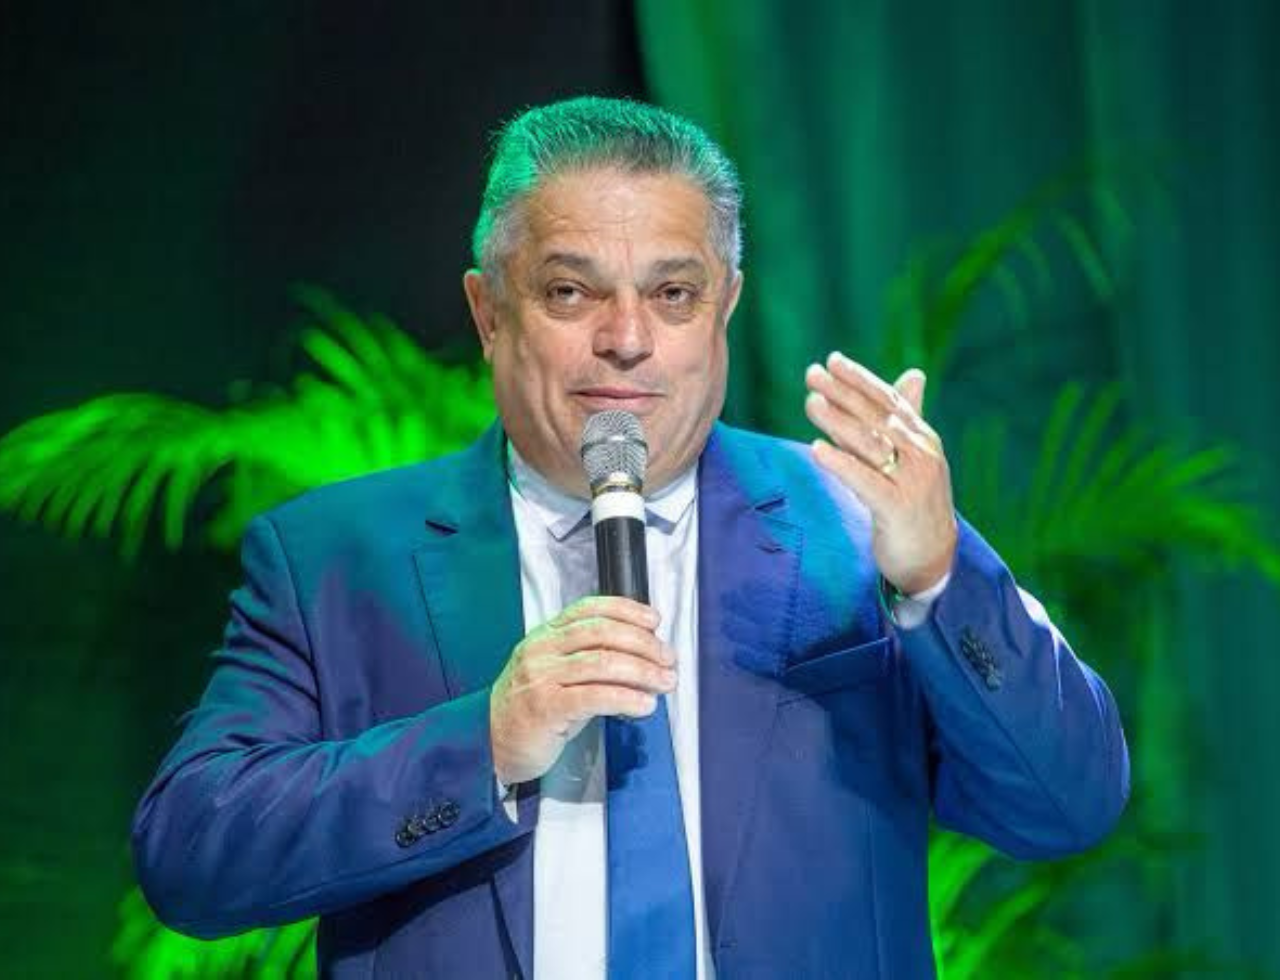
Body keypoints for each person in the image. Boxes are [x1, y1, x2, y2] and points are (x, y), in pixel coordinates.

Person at [131, 96, 1128, 979]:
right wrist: (485, 741)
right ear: (489, 311)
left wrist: (939, 575)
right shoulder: (334, 557)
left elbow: (1067, 802)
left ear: (725, 307)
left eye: (672, 294)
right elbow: (190, 852)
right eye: (570, 292)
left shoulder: (852, 520)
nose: (626, 339)